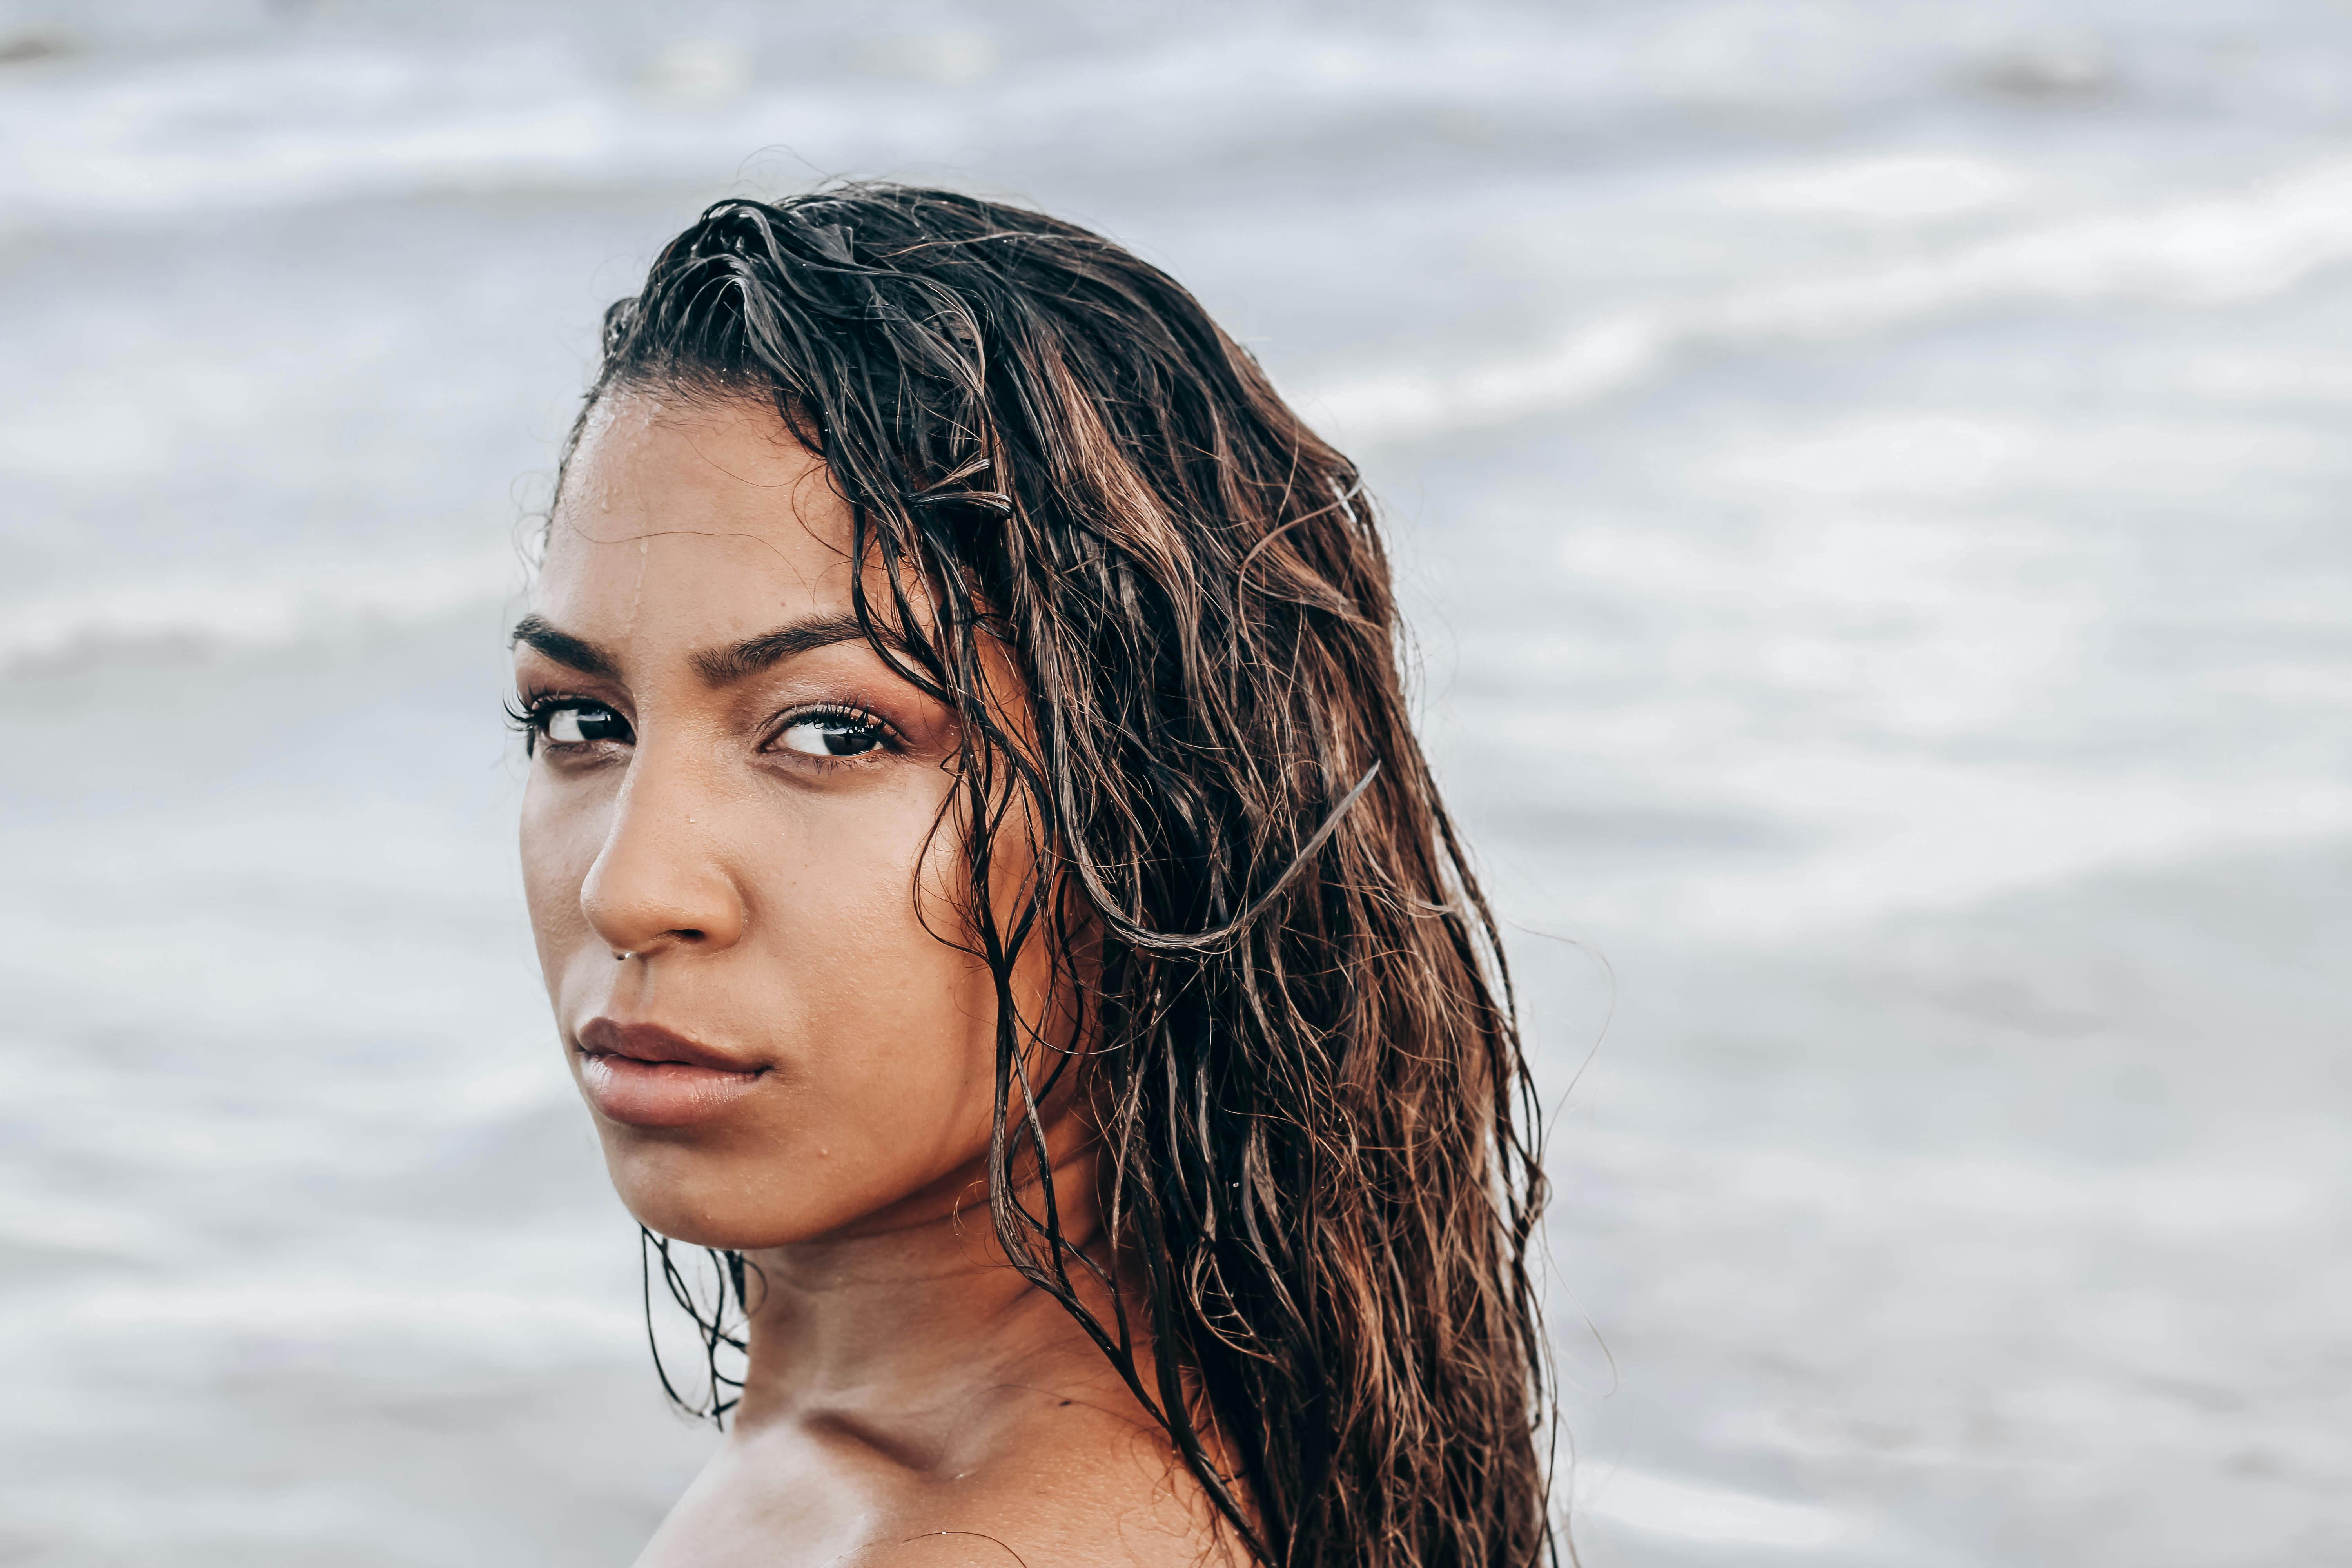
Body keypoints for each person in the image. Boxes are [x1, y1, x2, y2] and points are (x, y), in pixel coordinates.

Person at [510, 183, 1553, 1568]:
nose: (632, 891)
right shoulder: (925, 1455)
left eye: (835, 730)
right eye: (582, 721)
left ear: (1161, 806)